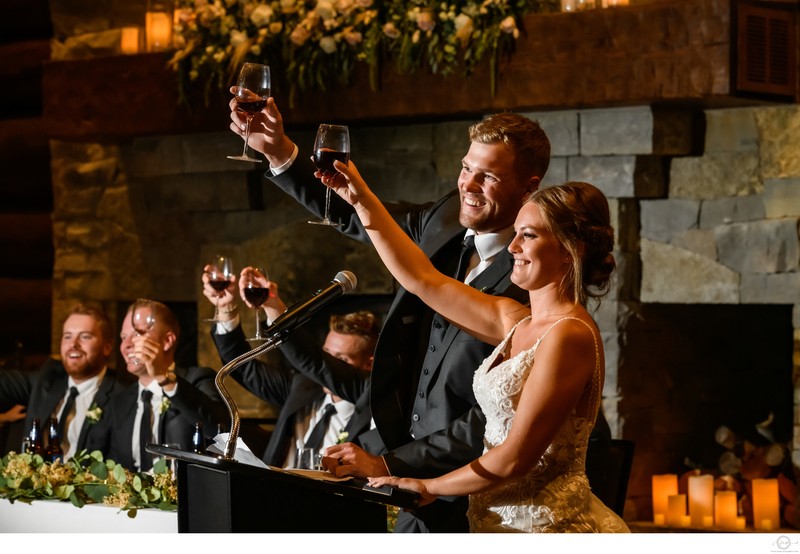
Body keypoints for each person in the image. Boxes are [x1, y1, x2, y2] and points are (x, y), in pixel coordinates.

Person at [229, 97, 547, 531]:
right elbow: (359, 213)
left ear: (528, 188)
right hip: (403, 482)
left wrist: (389, 461)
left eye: (487, 176)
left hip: (476, 496)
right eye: (465, 168)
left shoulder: (534, 280)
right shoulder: (445, 219)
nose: (467, 186)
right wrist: (280, 152)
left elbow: (495, 417)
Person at [321, 160, 628, 532]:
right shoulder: (516, 321)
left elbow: (516, 457)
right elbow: (421, 279)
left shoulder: (570, 335)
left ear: (570, 250)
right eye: (515, 233)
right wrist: (361, 199)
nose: (512, 246)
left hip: (540, 527)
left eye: (528, 235)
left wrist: (429, 486)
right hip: (490, 519)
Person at [202, 266, 380, 467]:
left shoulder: (375, 410)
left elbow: (317, 364)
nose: (331, 364)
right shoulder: (304, 388)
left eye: (341, 360)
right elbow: (242, 367)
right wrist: (227, 308)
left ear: (369, 364)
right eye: (327, 354)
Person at [88, 300, 226, 471]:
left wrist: (164, 378)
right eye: (123, 337)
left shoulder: (197, 380)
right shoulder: (121, 401)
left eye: (138, 334)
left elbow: (220, 431)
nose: (127, 345)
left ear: (167, 341)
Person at [0, 302, 121, 460]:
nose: (73, 344)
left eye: (84, 336)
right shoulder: (48, 379)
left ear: (107, 347)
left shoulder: (122, 395)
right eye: (67, 336)